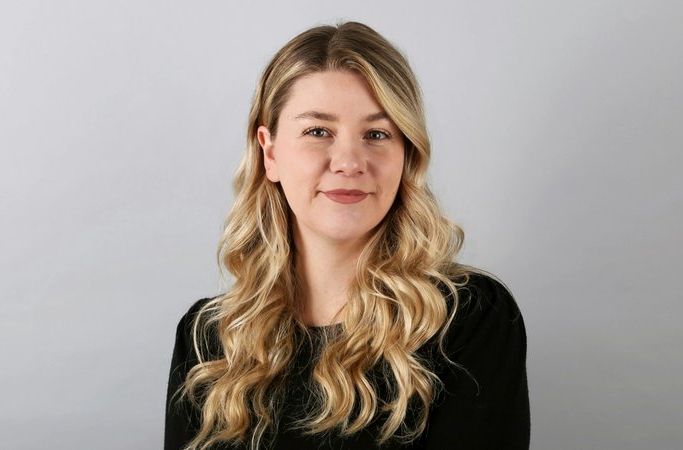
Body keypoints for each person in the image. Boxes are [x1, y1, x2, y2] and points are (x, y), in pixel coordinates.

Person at [164, 21, 529, 450]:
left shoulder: (469, 320)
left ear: (406, 155)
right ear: (270, 152)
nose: (349, 162)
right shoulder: (208, 338)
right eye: (318, 131)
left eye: (377, 134)